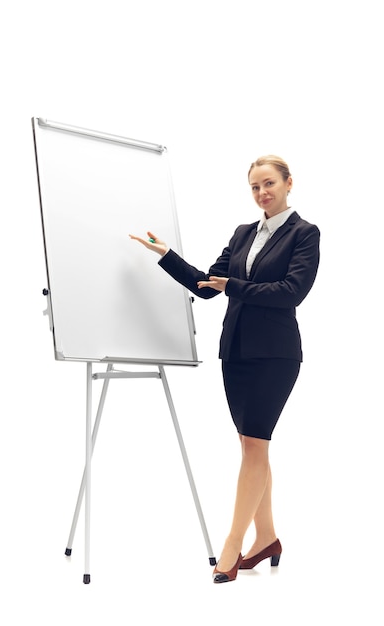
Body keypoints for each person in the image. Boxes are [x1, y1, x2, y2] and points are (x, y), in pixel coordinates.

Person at [130, 155, 320, 583]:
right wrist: (167, 256)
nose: (262, 193)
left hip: (274, 355)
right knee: (254, 446)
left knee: (255, 446)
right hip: (235, 352)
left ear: (289, 183)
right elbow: (209, 286)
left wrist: (234, 286)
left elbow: (291, 292)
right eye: (254, 187)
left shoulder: (304, 234)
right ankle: (267, 536)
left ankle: (232, 545)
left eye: (269, 184)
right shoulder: (242, 234)